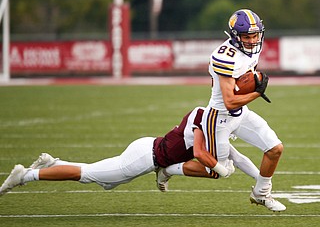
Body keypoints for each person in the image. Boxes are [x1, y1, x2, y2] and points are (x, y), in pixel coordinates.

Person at [0, 106, 256, 196]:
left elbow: (237, 156)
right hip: (145, 157)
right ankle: (25, 176)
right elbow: (200, 153)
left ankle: (52, 163)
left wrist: (262, 180)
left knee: (105, 182)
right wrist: (222, 170)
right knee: (89, 174)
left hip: (148, 150)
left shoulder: (213, 120)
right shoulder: (204, 117)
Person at [197, 9, 285, 212]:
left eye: (255, 35)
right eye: (247, 36)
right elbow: (229, 101)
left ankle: (261, 194)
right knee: (217, 171)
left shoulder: (252, 49)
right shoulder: (224, 56)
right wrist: (258, 92)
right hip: (218, 118)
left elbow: (243, 83)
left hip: (240, 113)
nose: (253, 40)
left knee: (275, 149)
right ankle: (167, 168)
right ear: (235, 36)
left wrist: (252, 85)